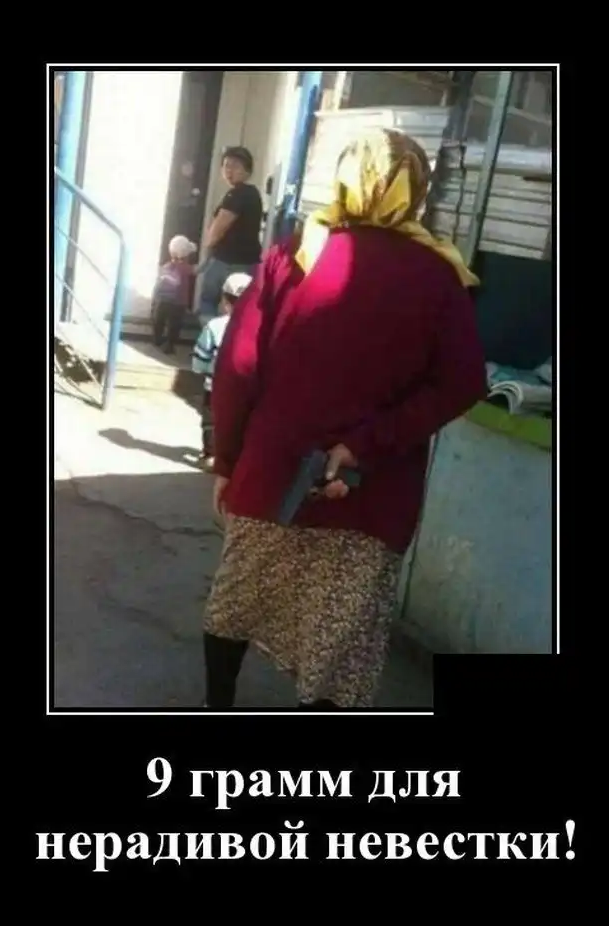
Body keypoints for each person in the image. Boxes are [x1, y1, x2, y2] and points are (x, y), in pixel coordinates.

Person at [201, 128, 487, 710]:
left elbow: (237, 367)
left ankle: (217, 703)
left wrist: (226, 460)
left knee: (236, 604)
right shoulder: (439, 275)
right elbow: (462, 381)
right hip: (372, 493)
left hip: (271, 475)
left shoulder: (297, 254)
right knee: (339, 646)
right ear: (417, 191)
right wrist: (368, 442)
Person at [192, 272, 253, 469]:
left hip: (215, 385)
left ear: (225, 301)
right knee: (238, 422)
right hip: (245, 386)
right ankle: (235, 457)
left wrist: (199, 369)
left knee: (211, 420)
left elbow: (202, 355)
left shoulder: (214, 326)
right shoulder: (258, 327)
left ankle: (211, 455)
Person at [196, 146, 262, 326]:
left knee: (208, 303)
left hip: (227, 261)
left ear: (247, 170)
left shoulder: (237, 194)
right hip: (247, 263)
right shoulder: (252, 193)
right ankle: (228, 340)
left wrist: (206, 254)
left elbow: (219, 227)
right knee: (239, 310)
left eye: (235, 166)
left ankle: (211, 339)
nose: (229, 171)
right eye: (226, 166)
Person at [151, 235, 197, 354]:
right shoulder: (186, 268)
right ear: (186, 255)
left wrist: (155, 298)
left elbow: (158, 284)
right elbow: (198, 270)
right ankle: (170, 344)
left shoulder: (165, 266)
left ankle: (157, 338)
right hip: (179, 302)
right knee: (174, 325)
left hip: (163, 299)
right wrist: (208, 260)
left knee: (159, 320)